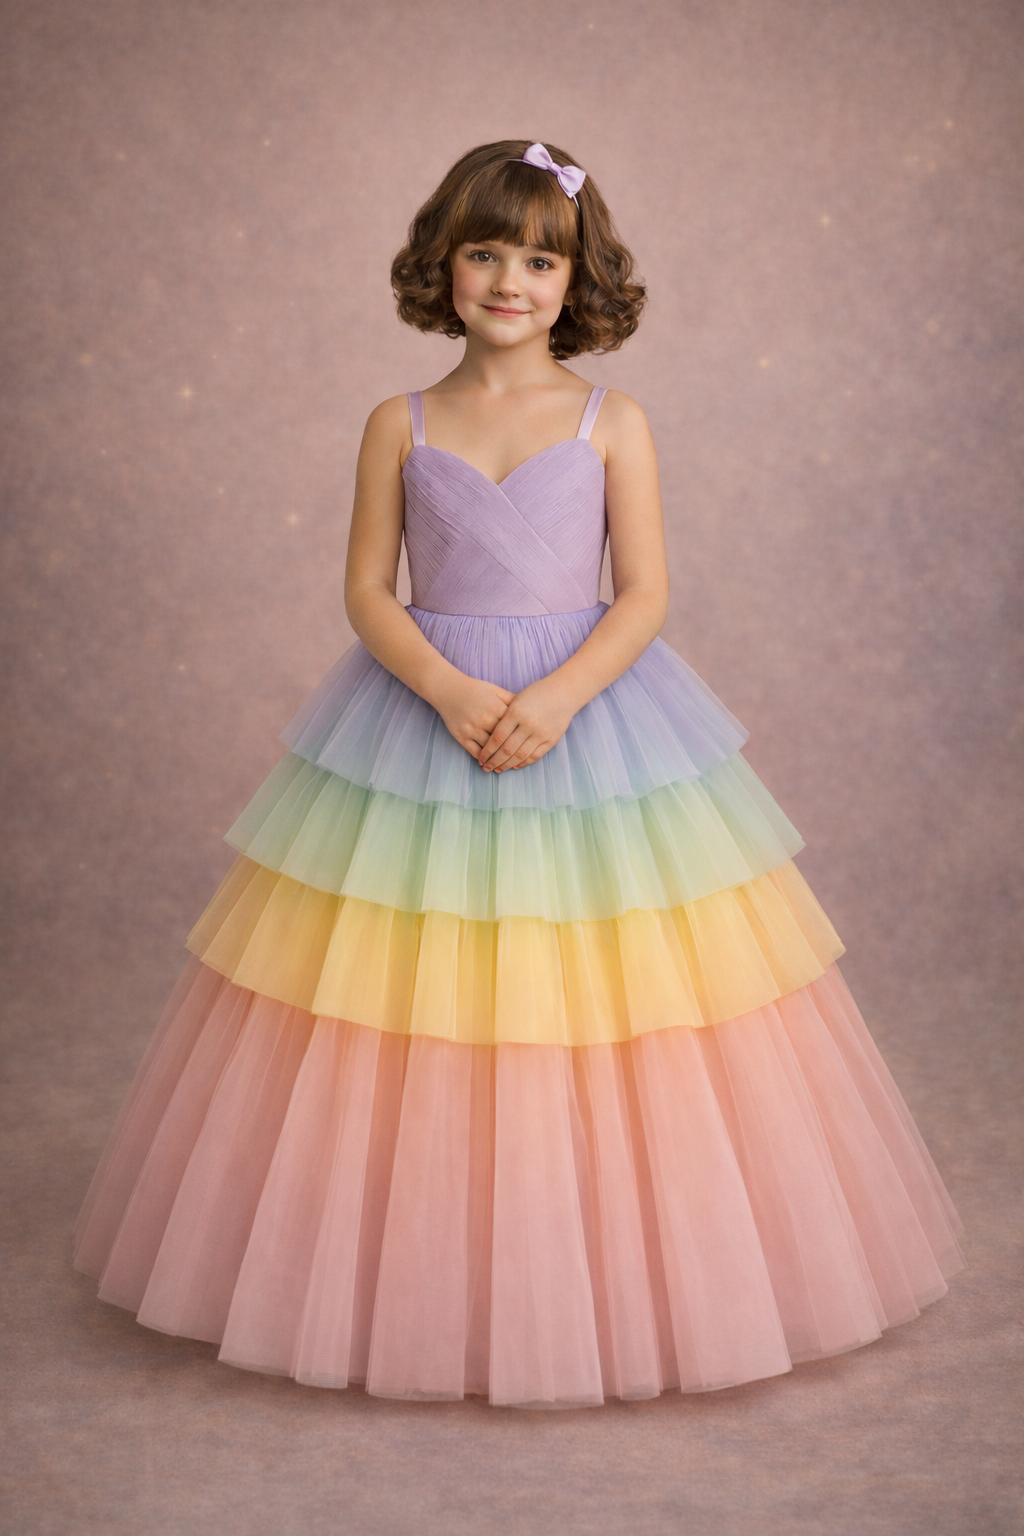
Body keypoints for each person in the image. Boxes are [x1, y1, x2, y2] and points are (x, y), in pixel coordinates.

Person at [74, 140, 963, 1409]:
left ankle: (599, 1273)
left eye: (538, 258)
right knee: (406, 984)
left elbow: (644, 593)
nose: (508, 279)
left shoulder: (613, 422)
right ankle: (416, 1268)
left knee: (598, 985)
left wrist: (551, 699)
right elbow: (366, 592)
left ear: (574, 279)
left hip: (582, 722)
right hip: (421, 724)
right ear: (443, 261)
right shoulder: (401, 420)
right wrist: (445, 689)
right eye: (485, 252)